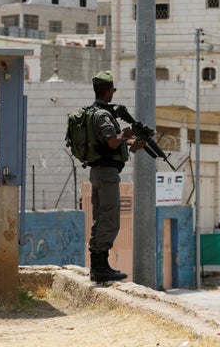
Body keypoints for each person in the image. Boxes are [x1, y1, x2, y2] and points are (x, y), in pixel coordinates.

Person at [87, 70, 135, 283]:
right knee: (110, 219)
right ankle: (100, 269)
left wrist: (134, 144)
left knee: (101, 218)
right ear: (108, 91)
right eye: (113, 89)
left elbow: (113, 147)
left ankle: (98, 267)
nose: (113, 93)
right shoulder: (102, 115)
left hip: (100, 171)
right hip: (106, 174)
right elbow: (112, 142)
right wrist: (126, 133)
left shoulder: (92, 113)